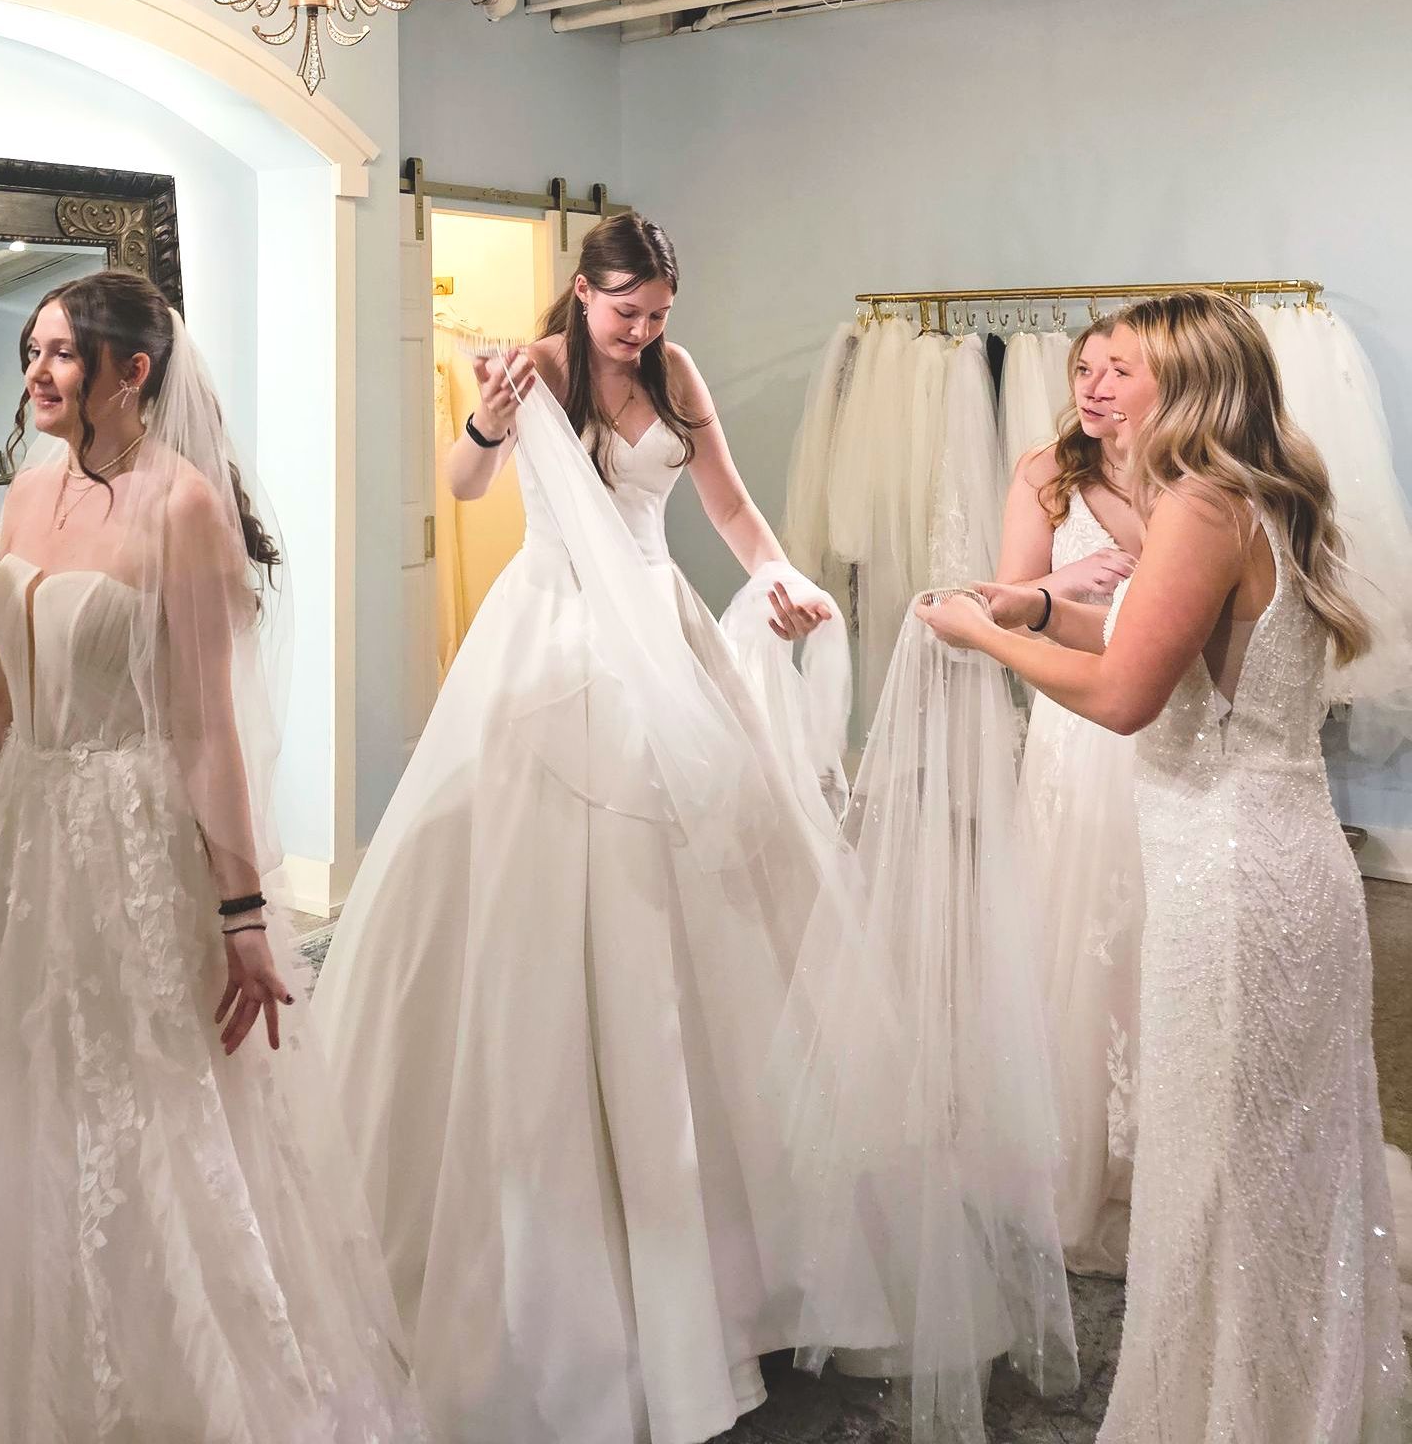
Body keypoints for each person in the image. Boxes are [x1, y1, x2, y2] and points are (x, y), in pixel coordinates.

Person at [0, 274, 421, 1444]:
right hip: (26, 833)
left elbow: (207, 728)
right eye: (32, 351)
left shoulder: (183, 508)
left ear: (132, 371)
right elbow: (2, 699)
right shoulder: (26, 491)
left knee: (149, 1108)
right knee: (14, 1095)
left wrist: (246, 912)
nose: (37, 374)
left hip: (131, 838)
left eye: (61, 354)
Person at [314, 213, 854, 1444]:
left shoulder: (675, 372)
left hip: (658, 625)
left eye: (659, 310)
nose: (645, 329)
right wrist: (489, 417)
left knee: (700, 905)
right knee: (541, 894)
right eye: (627, 310)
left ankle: (723, 1249)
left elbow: (727, 506)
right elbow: (463, 481)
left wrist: (781, 580)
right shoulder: (533, 363)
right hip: (554, 640)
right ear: (583, 293)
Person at [924, 290, 1408, 1444]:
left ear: (1180, 380)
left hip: (1235, 878)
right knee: (1259, 1175)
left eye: (1123, 366)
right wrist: (1032, 600)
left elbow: (1129, 696)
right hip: (1266, 863)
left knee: (1226, 1186)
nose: (1098, 385)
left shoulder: (1197, 500)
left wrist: (985, 636)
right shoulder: (1253, 488)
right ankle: (1284, 1402)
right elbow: (1151, 629)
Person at [997, 325, 1143, 1275]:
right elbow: (1003, 599)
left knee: (1149, 932)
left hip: (1158, 723)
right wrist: (1065, 581)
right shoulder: (1046, 469)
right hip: (1071, 733)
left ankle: (1155, 1153)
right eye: (1082, 369)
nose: (1092, 387)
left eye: (1117, 371)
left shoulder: (1193, 476)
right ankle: (1072, 1154)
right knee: (1071, 928)